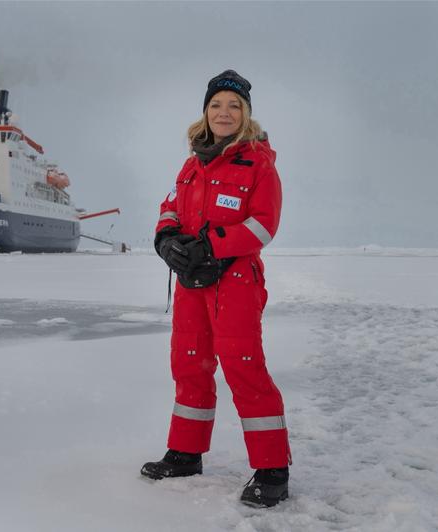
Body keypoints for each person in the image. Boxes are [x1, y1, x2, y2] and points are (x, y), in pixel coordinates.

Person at [141, 70, 291, 508]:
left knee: (244, 367)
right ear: (205, 112)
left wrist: (212, 247)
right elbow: (169, 206)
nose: (223, 113)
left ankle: (272, 470)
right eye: (216, 105)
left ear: (245, 114)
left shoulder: (258, 163)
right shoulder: (192, 163)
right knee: (189, 364)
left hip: (236, 281)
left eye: (233, 106)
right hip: (191, 284)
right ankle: (186, 453)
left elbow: (264, 224)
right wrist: (167, 240)